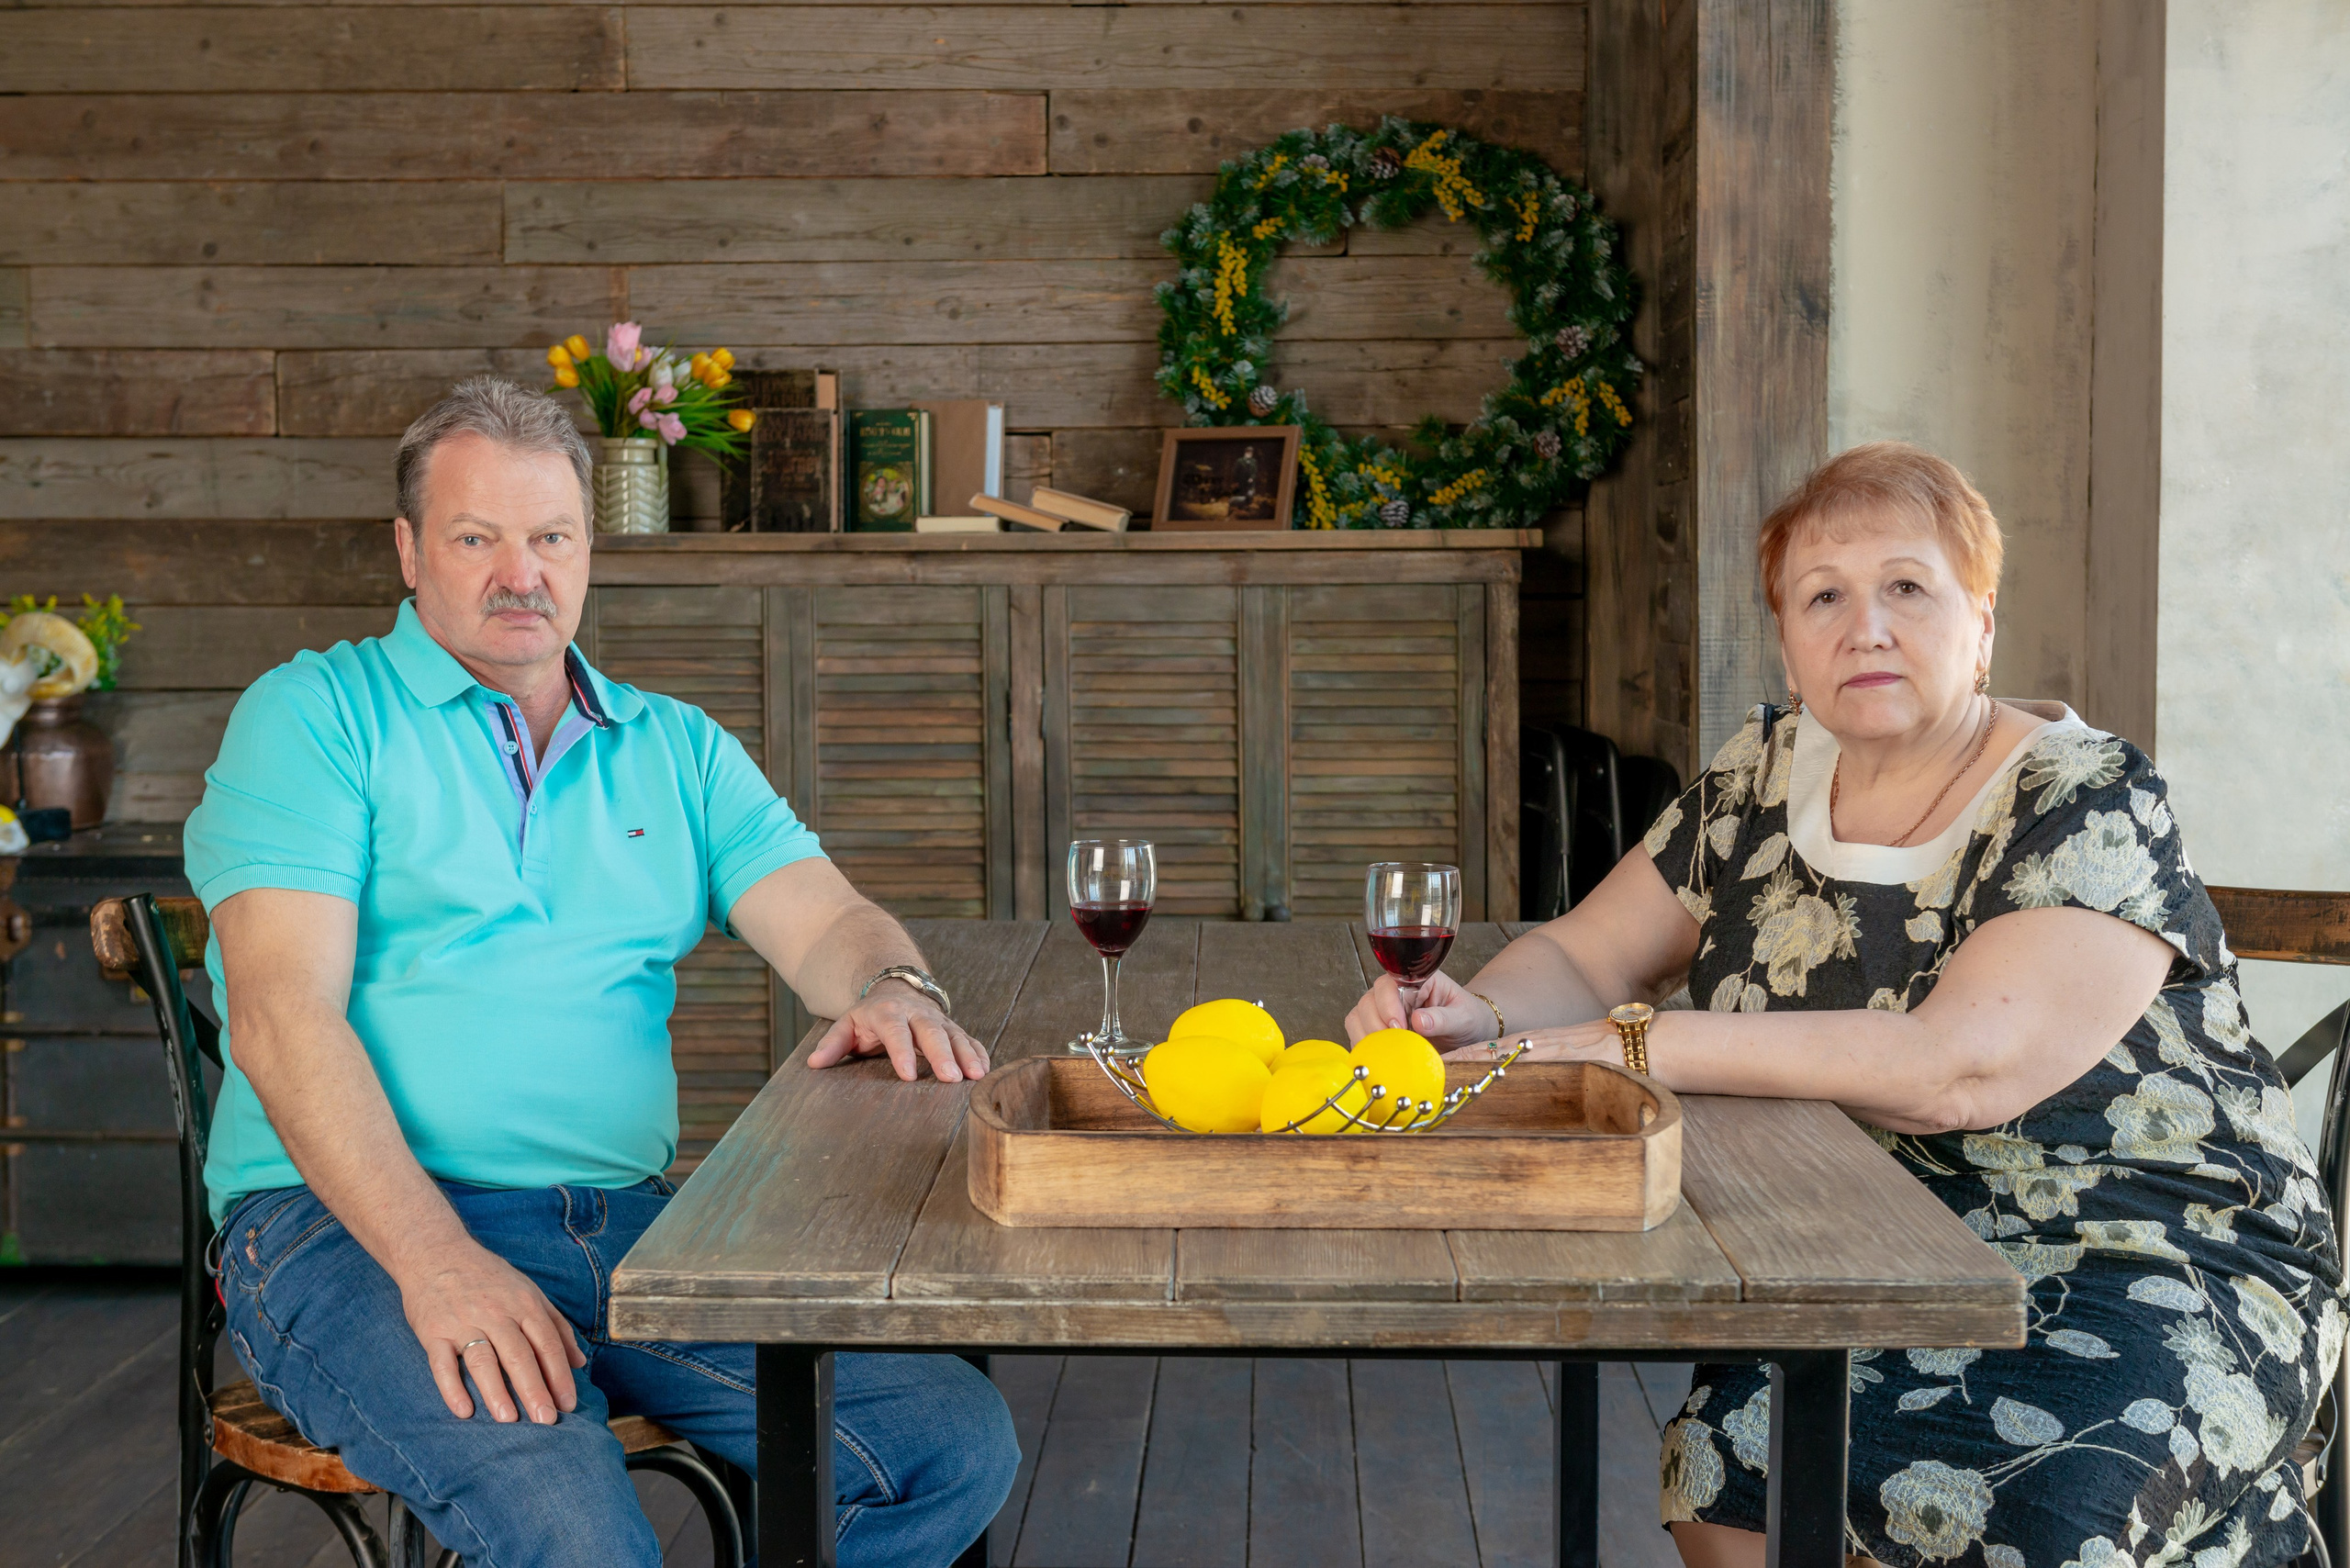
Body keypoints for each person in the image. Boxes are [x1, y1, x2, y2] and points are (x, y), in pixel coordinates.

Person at [1346, 442, 2344, 1568]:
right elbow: (1588, 954)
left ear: (1982, 616)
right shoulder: (1765, 767)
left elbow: (1956, 1068)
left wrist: (1647, 1042)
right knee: (1730, 1463)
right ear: (1787, 634)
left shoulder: (2085, 792)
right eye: (1823, 596)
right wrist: (1478, 1014)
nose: (1863, 626)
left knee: (2041, 1509)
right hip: (1844, 1245)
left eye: (1906, 588)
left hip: (2137, 1250)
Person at [185, 376, 1018, 1567]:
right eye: (477, 538)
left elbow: (827, 920)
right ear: (409, 552)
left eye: (552, 538)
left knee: (948, 1442)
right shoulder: (316, 716)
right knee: (570, 1529)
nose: (520, 573)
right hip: (349, 1228)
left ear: (588, 554)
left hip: (626, 1230)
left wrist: (895, 985)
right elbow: (277, 1017)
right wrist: (438, 1263)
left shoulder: (671, 746)